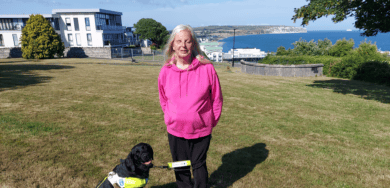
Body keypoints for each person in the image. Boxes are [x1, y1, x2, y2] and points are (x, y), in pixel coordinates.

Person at [158, 24, 223, 188]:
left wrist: (210, 121)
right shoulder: (165, 71)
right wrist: (170, 117)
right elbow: (163, 98)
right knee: (180, 166)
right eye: (179, 41)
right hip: (175, 129)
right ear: (172, 44)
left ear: (193, 44)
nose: (183, 46)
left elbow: (217, 98)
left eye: (187, 41)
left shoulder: (207, 68)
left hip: (201, 128)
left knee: (199, 164)